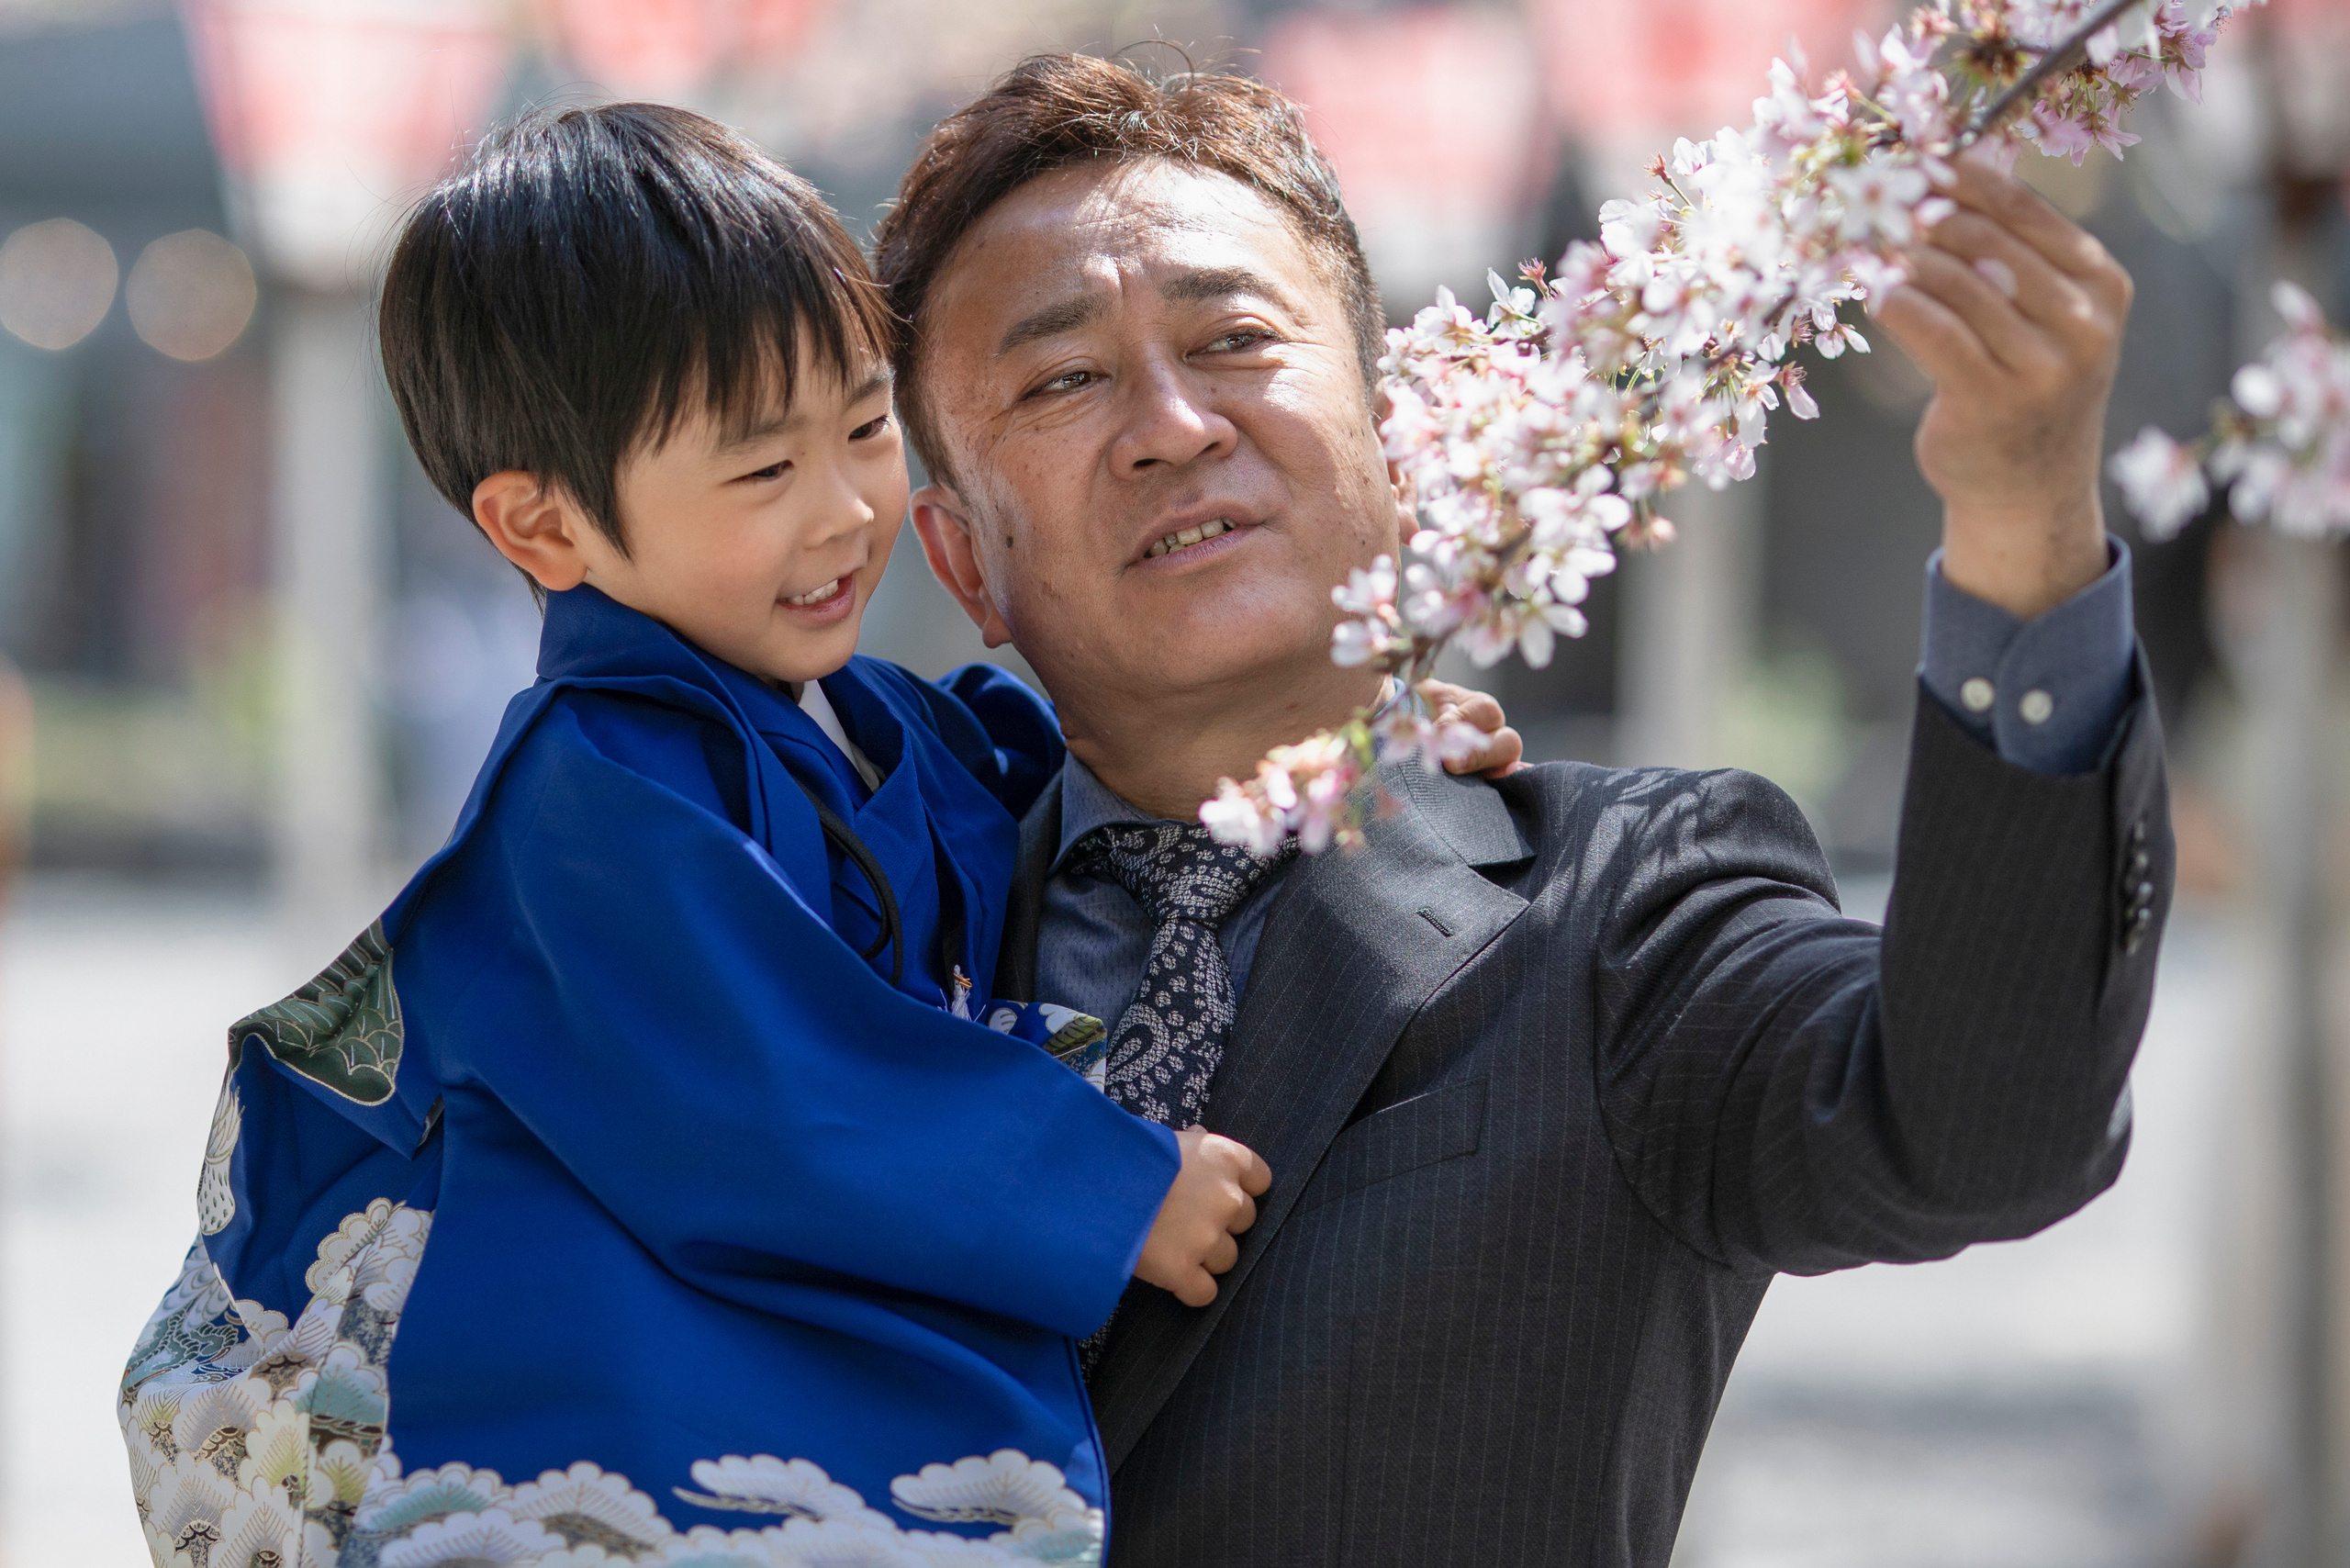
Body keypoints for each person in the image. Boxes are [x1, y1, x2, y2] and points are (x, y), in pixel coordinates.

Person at [115, 103, 1518, 1568]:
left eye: (861, 426)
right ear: (543, 531)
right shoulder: (592, 791)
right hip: (601, 1422)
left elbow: (1113, 771)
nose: (849, 508)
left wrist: (1350, 744)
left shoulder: (879, 720)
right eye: (761, 472)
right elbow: (766, 1082)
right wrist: (1101, 1189)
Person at [873, 55, 2171, 1565]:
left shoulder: (1622, 907)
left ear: (1398, 433)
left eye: (1234, 339)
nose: (1170, 424)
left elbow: (1984, 1131)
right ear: (963, 564)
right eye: (1064, 380)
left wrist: (2025, 529)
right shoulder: (857, 926)